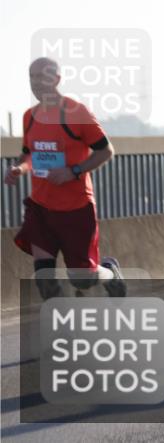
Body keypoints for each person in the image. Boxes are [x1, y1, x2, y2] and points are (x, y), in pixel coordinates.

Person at [6, 58, 125, 300]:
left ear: (57, 79)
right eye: (32, 77)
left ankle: (110, 273)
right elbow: (30, 153)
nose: (36, 82)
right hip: (40, 206)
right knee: (44, 278)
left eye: (42, 77)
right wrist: (20, 168)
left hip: (75, 207)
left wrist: (73, 171)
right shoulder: (29, 116)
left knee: (82, 277)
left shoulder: (77, 112)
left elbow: (106, 151)